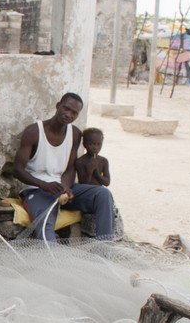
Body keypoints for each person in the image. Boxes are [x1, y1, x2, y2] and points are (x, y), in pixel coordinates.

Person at [12, 92, 114, 242]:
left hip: (61, 189)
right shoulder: (34, 132)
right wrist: (44, 185)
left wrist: (66, 187)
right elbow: (17, 170)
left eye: (74, 113)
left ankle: (105, 252)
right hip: (36, 189)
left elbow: (70, 168)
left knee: (103, 194)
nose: (68, 115)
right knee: (46, 222)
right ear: (58, 105)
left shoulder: (75, 134)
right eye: (66, 108)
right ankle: (52, 260)